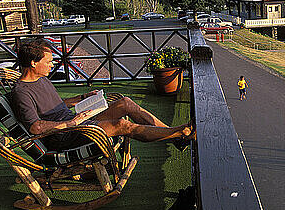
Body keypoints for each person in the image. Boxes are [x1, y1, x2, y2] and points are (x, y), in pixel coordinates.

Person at [11, 38, 194, 153]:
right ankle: (178, 132)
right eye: (48, 62)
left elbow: (56, 105)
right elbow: (36, 127)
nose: (52, 65)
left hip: (76, 121)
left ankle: (176, 137)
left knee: (126, 103)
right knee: (122, 125)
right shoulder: (22, 92)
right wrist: (71, 123)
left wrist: (82, 99)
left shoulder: (41, 79)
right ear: (33, 63)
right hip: (64, 135)